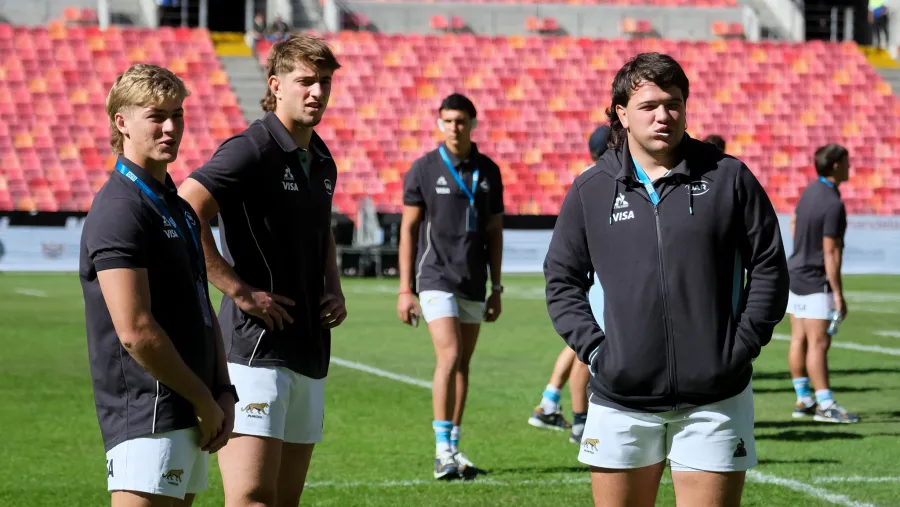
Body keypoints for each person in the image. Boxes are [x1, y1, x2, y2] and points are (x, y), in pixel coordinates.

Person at [543, 52, 789, 507]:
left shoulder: (729, 177)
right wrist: (597, 351)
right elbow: (561, 280)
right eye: (649, 105)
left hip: (715, 401)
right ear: (622, 113)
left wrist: (741, 346)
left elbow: (770, 264)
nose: (664, 115)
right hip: (620, 399)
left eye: (674, 103)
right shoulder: (591, 189)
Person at [177, 34, 345, 506]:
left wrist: (333, 287)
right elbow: (188, 208)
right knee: (252, 495)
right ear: (276, 84)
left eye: (325, 82)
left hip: (310, 347)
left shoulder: (323, 158)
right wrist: (238, 289)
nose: (318, 92)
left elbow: (321, 231)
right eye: (306, 81)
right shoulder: (251, 148)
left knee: (284, 500)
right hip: (254, 349)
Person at [80, 63, 237, 506]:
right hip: (148, 411)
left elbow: (203, 309)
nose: (171, 127)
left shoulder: (178, 207)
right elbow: (135, 332)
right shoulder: (120, 208)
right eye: (156, 116)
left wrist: (223, 391)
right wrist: (205, 399)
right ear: (122, 122)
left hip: (190, 407)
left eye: (179, 114)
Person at [397, 93, 505, 480]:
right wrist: (405, 289)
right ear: (439, 123)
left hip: (475, 280)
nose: (454, 127)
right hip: (435, 276)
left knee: (464, 364)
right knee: (450, 354)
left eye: (461, 120)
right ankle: (441, 450)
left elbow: (494, 230)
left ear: (473, 123)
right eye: (447, 120)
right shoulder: (424, 169)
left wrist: (498, 287)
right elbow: (409, 229)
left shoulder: (489, 170)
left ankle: (454, 449)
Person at [528, 125, 609, 444]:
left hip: (590, 273)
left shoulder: (589, 177)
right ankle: (580, 419)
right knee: (587, 349)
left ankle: (552, 402)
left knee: (580, 345)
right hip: (595, 274)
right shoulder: (600, 180)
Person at [786, 144, 859, 423]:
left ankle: (803, 398)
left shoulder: (809, 192)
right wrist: (839, 294)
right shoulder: (832, 202)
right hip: (816, 279)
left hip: (796, 273)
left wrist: (802, 250)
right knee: (818, 343)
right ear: (837, 165)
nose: (850, 167)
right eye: (847, 162)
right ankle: (825, 404)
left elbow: (793, 222)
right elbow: (831, 251)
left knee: (799, 339)